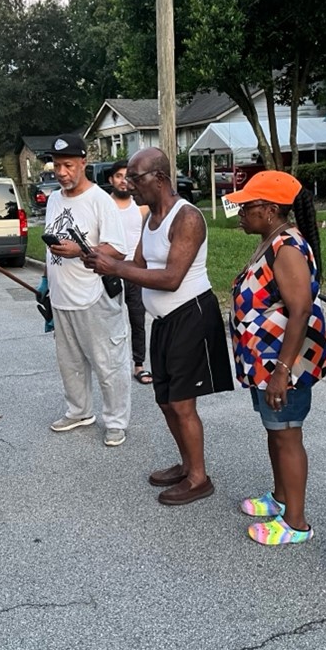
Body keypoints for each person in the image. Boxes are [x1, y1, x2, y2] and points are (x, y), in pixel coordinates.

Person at [86, 147, 233, 505]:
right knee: (166, 400)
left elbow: (170, 278)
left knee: (183, 404)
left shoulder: (187, 218)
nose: (129, 184)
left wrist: (115, 269)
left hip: (191, 316)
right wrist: (97, 257)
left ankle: (199, 478)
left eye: (136, 178)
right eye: (128, 178)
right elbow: (138, 264)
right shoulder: (150, 217)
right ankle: (187, 465)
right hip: (165, 321)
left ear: (161, 178)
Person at [228, 172, 326, 544]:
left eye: (246, 206)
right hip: (264, 362)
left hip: (282, 365)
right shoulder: (271, 240)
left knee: (288, 435)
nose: (239, 212)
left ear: (270, 210)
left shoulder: (287, 246)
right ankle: (281, 497)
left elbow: (300, 310)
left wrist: (281, 373)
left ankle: (297, 522)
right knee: (275, 431)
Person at [41, 134, 132, 447]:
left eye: (68, 165)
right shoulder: (54, 198)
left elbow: (118, 250)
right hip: (62, 296)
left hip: (94, 294)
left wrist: (80, 251)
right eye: (57, 165)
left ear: (83, 163)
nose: (61, 171)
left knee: (108, 362)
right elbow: (50, 244)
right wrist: (45, 283)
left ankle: (116, 421)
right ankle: (79, 411)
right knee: (70, 363)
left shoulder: (99, 200)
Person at [108, 160, 152, 385]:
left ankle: (139, 365)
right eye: (118, 176)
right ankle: (113, 367)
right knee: (110, 320)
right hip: (109, 269)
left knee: (137, 318)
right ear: (111, 180)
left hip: (134, 271)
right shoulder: (105, 205)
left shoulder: (142, 207)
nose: (123, 181)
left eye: (127, 176)